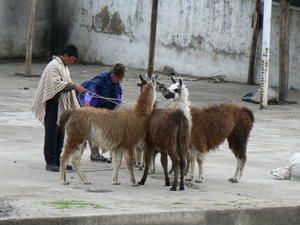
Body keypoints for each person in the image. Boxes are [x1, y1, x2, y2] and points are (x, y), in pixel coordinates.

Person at [32, 45, 85, 172]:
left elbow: (68, 86)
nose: (72, 62)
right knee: (52, 133)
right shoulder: (54, 65)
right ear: (66, 55)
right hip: (52, 104)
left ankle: (58, 160)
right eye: (71, 59)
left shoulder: (64, 67)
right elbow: (55, 84)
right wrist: (74, 86)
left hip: (61, 105)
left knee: (60, 133)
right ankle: (50, 161)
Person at [77, 63, 125, 162]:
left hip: (105, 108)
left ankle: (106, 152)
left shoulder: (116, 85)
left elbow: (117, 98)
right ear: (112, 74)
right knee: (93, 128)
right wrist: (87, 101)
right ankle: (94, 153)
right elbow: (90, 90)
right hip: (93, 104)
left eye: (119, 78)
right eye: (116, 77)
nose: (117, 80)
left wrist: (120, 106)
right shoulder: (101, 79)